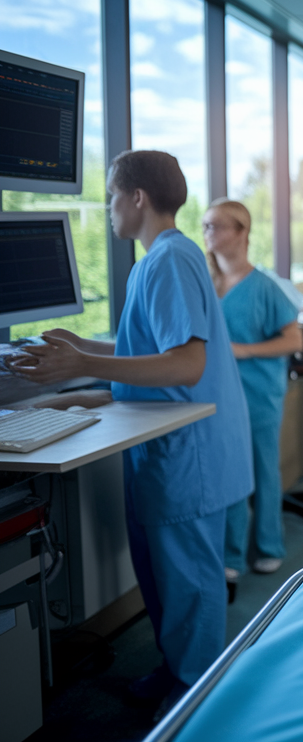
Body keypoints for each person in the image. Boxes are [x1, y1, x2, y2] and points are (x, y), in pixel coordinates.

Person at [9, 151, 252, 716]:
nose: (109, 209)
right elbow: (149, 350)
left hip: (184, 454)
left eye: (112, 196)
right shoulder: (166, 257)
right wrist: (82, 352)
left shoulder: (168, 260)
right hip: (171, 446)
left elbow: (185, 364)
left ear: (137, 197)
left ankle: (197, 702)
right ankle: (178, 670)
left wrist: (79, 368)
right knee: (169, 581)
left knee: (188, 586)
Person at [202, 198, 303, 581]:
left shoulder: (264, 287)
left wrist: (242, 351)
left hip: (259, 392)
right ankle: (230, 554)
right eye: (206, 225)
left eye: (216, 226)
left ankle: (269, 545)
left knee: (262, 469)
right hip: (216, 395)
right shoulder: (207, 284)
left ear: (241, 232)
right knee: (227, 470)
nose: (208, 233)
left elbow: (294, 340)